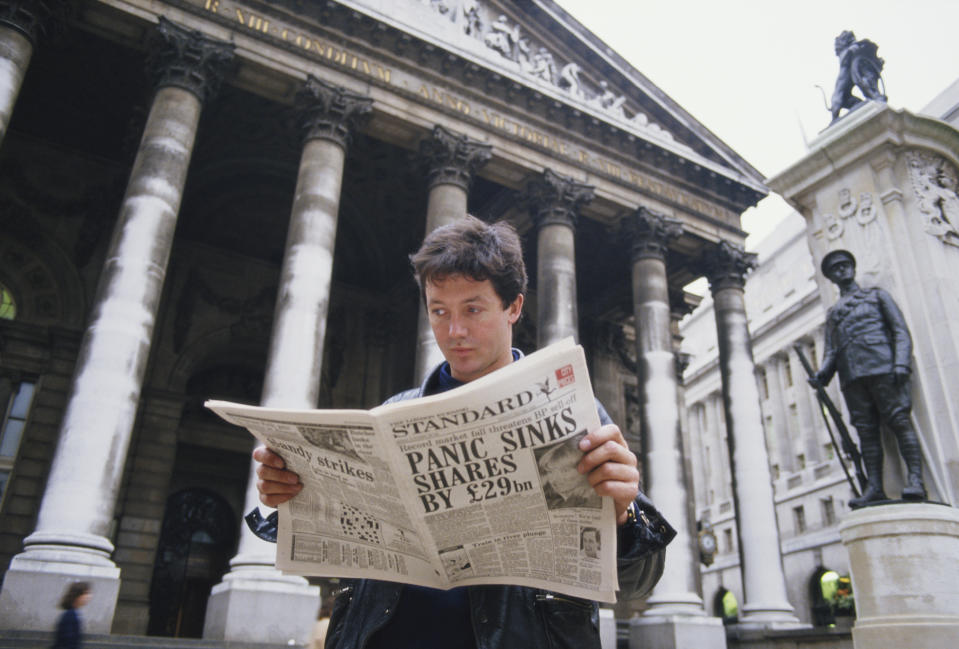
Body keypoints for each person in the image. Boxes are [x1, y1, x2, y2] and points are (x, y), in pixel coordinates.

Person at [253, 215, 675, 649]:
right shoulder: (390, 415)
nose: (454, 332)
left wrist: (624, 515)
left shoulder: (577, 413)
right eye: (439, 311)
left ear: (514, 306)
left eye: (472, 309)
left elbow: (640, 581)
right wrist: (292, 494)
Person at [809, 249, 926, 507]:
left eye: (845, 266)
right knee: (866, 433)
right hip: (852, 378)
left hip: (883, 367)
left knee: (899, 422)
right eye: (835, 269)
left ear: (853, 268)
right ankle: (875, 487)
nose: (842, 271)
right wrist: (822, 375)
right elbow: (831, 351)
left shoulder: (876, 296)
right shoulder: (834, 313)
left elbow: (900, 331)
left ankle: (915, 480)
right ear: (831, 278)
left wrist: (901, 363)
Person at [52, 581, 91, 649]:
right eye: (86, 593)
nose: (89, 596)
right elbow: (67, 642)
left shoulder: (74, 614)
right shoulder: (70, 615)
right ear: (78, 596)